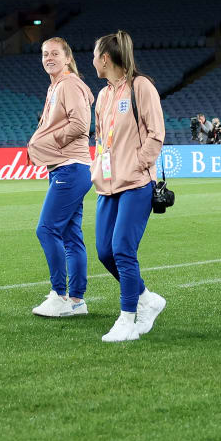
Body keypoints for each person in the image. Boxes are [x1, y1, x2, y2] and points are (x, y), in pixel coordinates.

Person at [91, 31, 167, 343]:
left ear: (105, 59)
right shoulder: (104, 95)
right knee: (104, 252)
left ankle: (127, 319)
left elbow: (156, 133)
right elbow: (100, 138)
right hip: (107, 184)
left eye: (95, 55)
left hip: (136, 183)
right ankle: (148, 299)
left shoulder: (141, 87)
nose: (93, 61)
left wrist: (138, 163)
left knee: (122, 248)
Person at [28, 36, 96, 318]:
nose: (48, 58)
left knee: (46, 229)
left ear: (67, 58)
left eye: (55, 53)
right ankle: (77, 301)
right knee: (70, 236)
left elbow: (81, 124)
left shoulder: (68, 84)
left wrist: (50, 142)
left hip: (70, 166)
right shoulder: (57, 85)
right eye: (45, 54)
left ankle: (60, 294)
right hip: (66, 167)